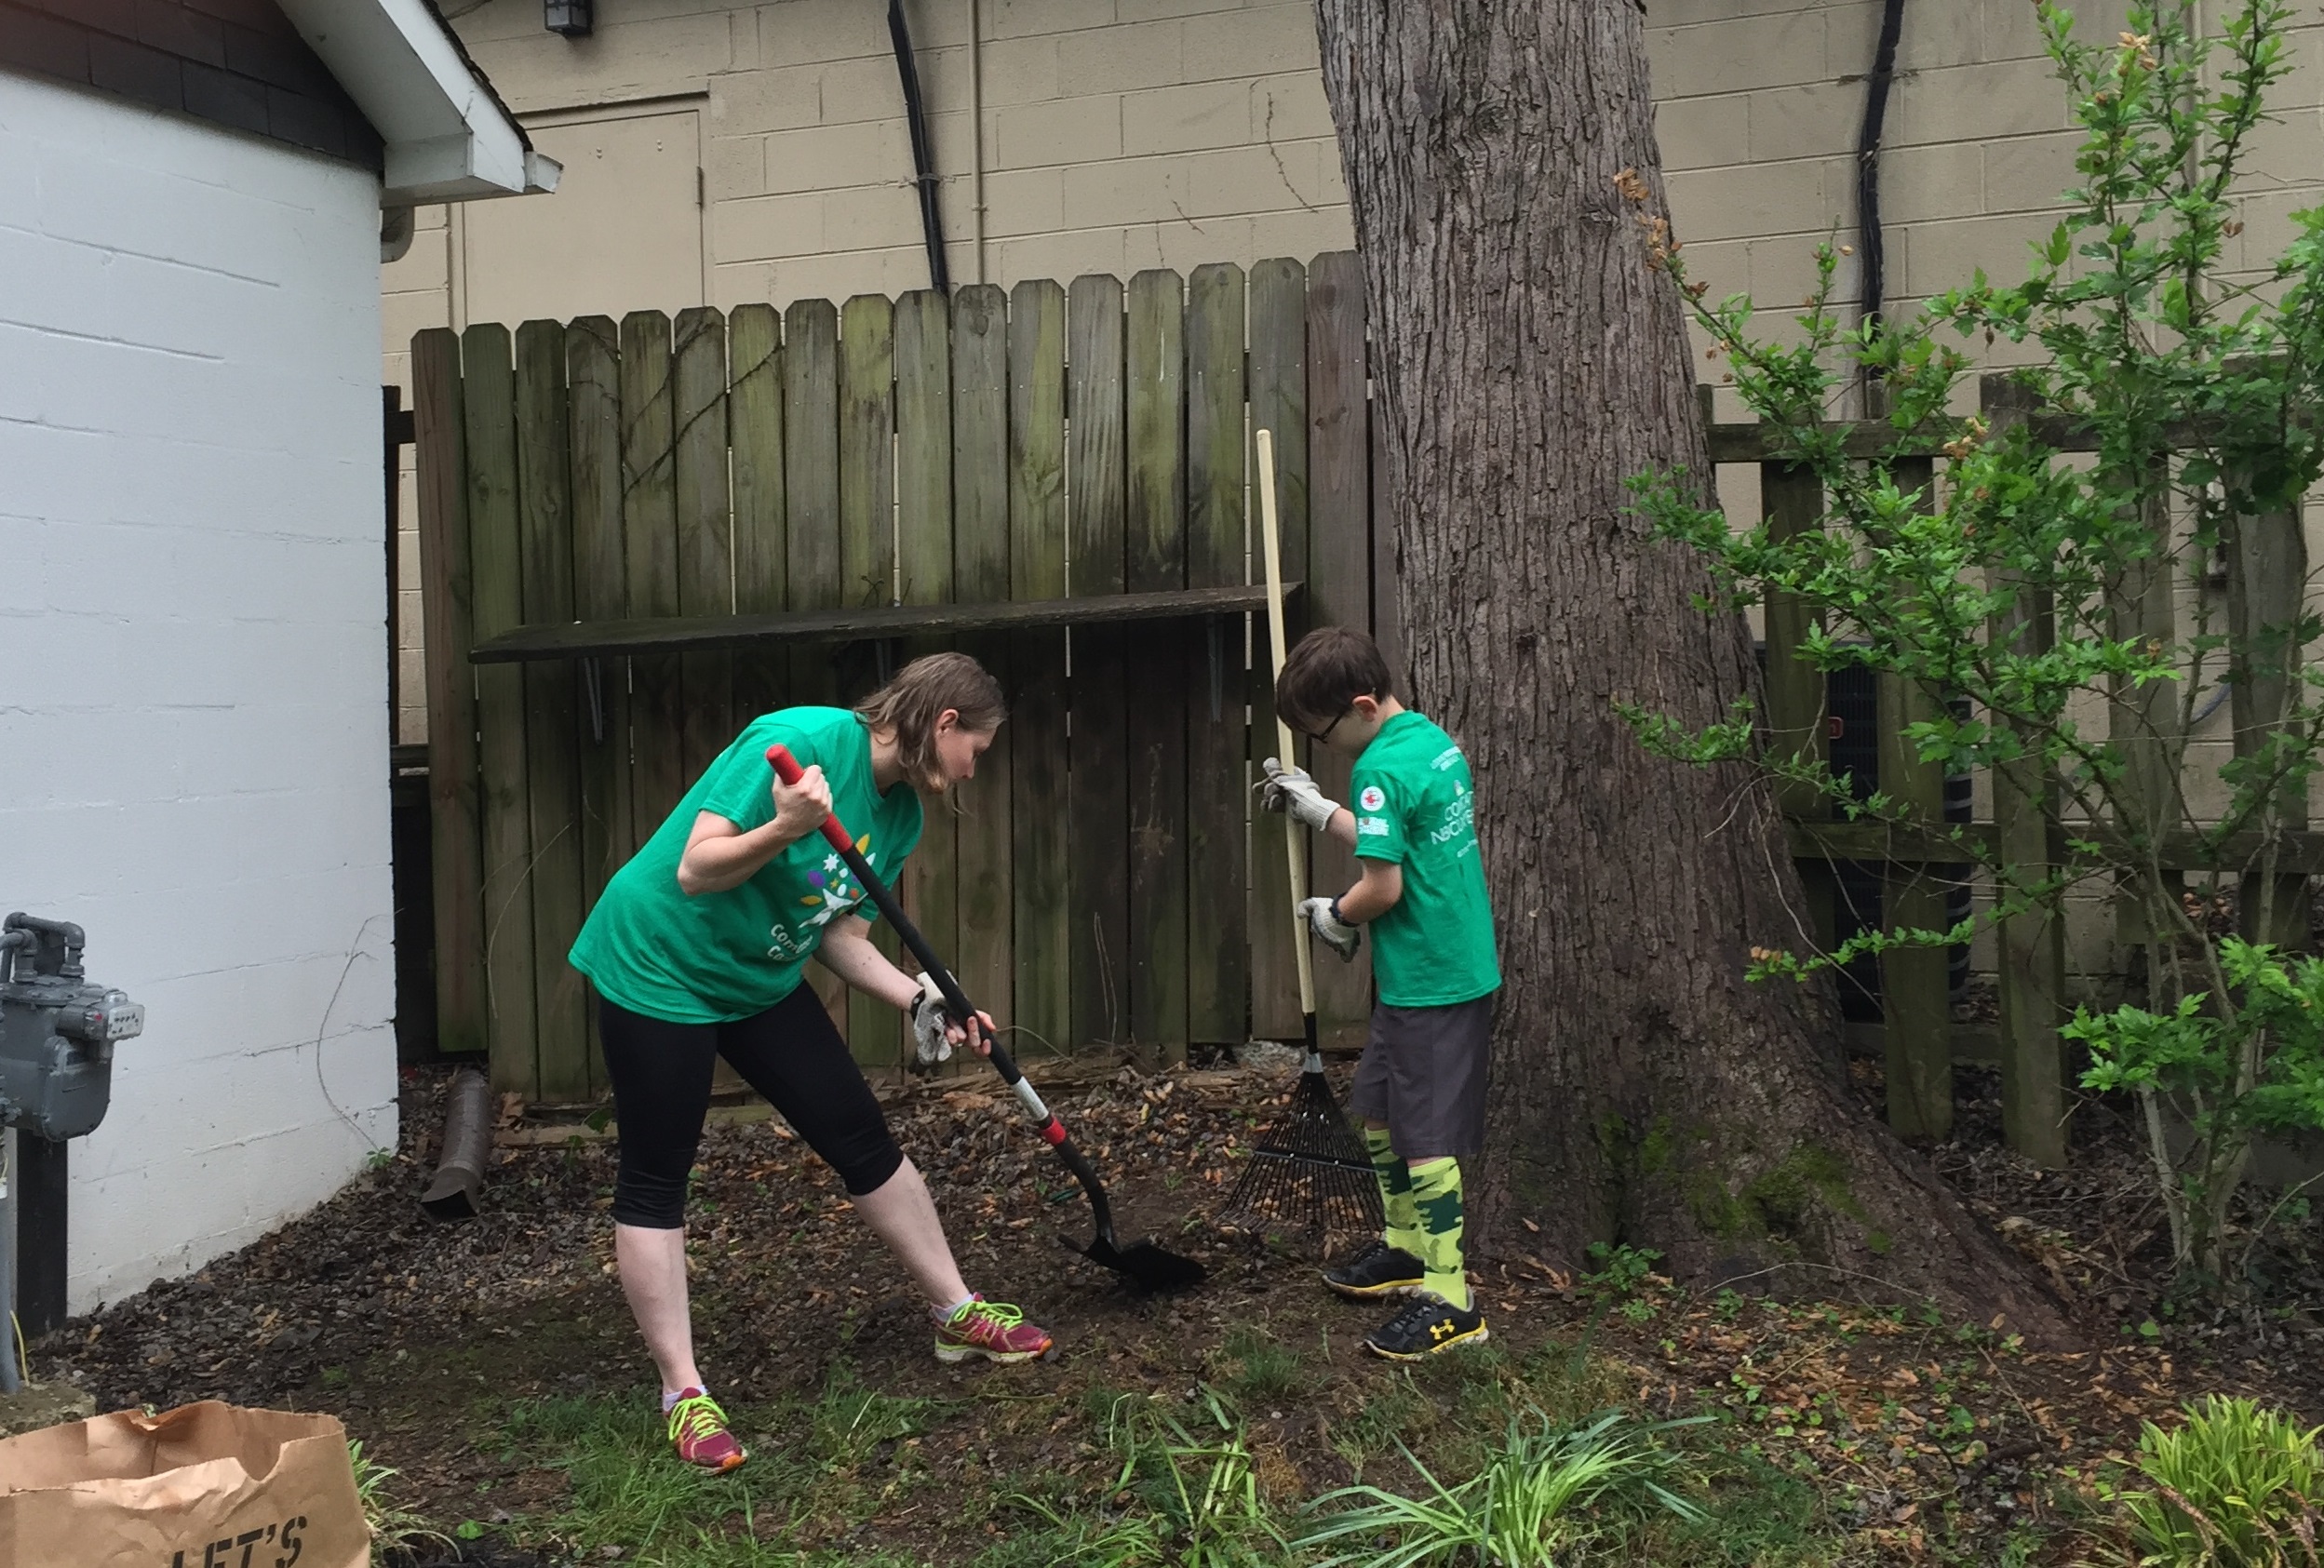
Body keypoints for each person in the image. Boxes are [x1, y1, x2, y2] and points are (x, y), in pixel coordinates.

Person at [568, 652, 1054, 1472]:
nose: (976, 765)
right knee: (658, 1173)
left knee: (861, 1135)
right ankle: (682, 1391)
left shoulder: (900, 815)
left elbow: (839, 934)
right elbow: (697, 868)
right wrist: (786, 825)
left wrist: (921, 999)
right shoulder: (796, 739)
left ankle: (955, 1309)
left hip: (759, 976)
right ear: (943, 725)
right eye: (978, 746)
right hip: (660, 965)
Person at [1256, 626, 1501, 1360]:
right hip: (1430, 974)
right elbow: (1392, 832)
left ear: (1362, 706)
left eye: (1322, 733)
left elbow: (1382, 885)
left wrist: (1336, 913)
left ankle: (1451, 1297)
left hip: (1433, 979)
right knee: (1378, 1113)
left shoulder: (1377, 769)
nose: (1323, 745)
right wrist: (1314, 808)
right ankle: (1402, 1247)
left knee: (1425, 1141)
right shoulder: (1430, 742)